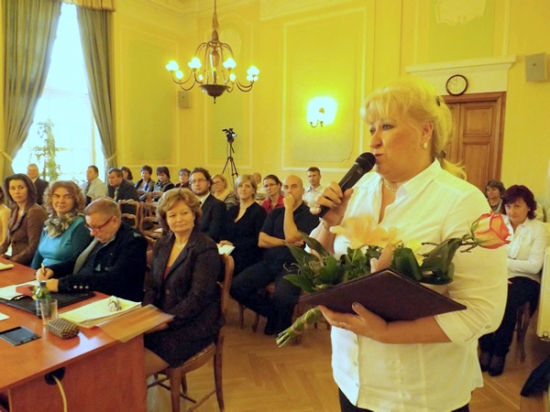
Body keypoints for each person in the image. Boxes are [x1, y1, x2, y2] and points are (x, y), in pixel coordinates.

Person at [312, 78, 507, 411]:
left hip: (419, 393)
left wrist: (386, 332)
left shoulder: (462, 201)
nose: (373, 141)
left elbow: (483, 312)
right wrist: (328, 224)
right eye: (371, 128)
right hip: (351, 377)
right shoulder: (358, 192)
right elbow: (318, 267)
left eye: (387, 126)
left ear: (425, 131)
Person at [143, 188, 222, 376]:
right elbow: (152, 285)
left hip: (195, 323)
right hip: (163, 315)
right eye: (172, 215)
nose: (179, 219)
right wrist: (148, 313)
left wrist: (166, 321)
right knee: (123, 351)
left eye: (184, 213)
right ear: (165, 219)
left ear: (194, 214)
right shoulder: (162, 244)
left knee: (134, 371)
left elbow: (198, 297)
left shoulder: (205, 247)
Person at [230, 175, 318, 335]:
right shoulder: (276, 213)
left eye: (294, 187)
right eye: (286, 187)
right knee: (236, 286)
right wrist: (285, 243)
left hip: (294, 265)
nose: (289, 190)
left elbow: (291, 235)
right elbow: (262, 240)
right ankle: (271, 314)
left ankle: (283, 326)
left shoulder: (309, 215)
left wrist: (288, 210)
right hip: (269, 262)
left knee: (283, 295)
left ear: (302, 191)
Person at [479, 185, 550, 376]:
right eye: (508, 206)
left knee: (506, 299)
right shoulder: (497, 222)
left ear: (529, 207)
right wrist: (498, 272)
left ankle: (499, 352)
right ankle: (485, 347)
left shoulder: (538, 229)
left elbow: (534, 266)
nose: (512, 211)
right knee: (483, 295)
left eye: (517, 206)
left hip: (526, 279)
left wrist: (502, 264)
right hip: (496, 274)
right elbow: (485, 254)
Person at [35, 198, 147, 302]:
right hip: (86, 294)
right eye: (89, 227)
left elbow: (112, 280)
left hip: (113, 302)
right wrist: (52, 270)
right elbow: (78, 261)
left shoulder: (134, 241)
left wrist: (62, 284)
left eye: (96, 227)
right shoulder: (101, 235)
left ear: (114, 221)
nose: (92, 233)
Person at [31, 181, 92, 268]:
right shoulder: (49, 223)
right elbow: (38, 255)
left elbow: (76, 262)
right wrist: (32, 273)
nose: (61, 201)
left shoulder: (81, 225)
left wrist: (50, 272)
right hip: (42, 273)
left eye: (67, 197)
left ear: (76, 200)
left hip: (62, 274)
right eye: (56, 196)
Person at [220, 174, 267, 277]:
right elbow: (224, 231)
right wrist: (223, 242)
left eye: (247, 186)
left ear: (253, 190)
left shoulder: (259, 212)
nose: (243, 189)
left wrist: (234, 244)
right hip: (228, 252)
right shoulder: (232, 210)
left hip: (248, 255)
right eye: (240, 186)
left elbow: (257, 240)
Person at [0, 174, 47, 266]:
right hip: (15, 260)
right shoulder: (15, 208)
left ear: (29, 189)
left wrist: (12, 261)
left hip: (30, 264)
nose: (17, 192)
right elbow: (8, 238)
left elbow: (34, 246)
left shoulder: (35, 211)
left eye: (21, 187)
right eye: (12, 188)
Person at [190, 167, 229, 243]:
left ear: (208, 183)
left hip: (204, 245)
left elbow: (213, 234)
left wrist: (190, 241)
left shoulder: (217, 205)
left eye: (200, 180)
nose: (197, 184)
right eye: (193, 181)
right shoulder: (188, 204)